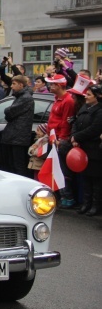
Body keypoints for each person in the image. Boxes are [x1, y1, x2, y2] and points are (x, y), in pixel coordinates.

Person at [69, 84, 102, 216]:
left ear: (97, 97)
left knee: (96, 180)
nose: (86, 97)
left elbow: (94, 129)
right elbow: (76, 123)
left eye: (89, 95)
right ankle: (86, 203)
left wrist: (77, 136)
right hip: (81, 148)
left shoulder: (100, 111)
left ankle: (95, 206)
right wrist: (74, 137)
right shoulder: (84, 107)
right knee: (86, 178)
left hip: (94, 150)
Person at [45, 73, 77, 208]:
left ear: (59, 86)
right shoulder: (57, 99)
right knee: (55, 169)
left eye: (52, 84)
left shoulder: (68, 101)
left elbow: (65, 122)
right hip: (52, 138)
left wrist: (62, 139)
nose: (50, 86)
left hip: (59, 140)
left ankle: (68, 197)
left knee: (62, 170)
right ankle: (60, 195)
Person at [0, 75, 35, 178]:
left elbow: (10, 111)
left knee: (18, 165)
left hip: (18, 136)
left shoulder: (26, 98)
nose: (11, 86)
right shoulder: (20, 96)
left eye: (14, 84)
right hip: (15, 135)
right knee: (12, 164)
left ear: (21, 85)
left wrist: (7, 110)